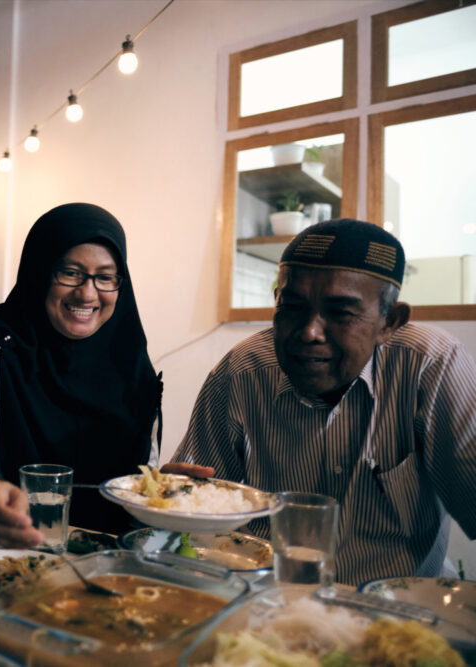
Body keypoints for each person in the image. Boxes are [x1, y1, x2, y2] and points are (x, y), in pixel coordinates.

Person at [165, 218, 476, 585]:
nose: (310, 331)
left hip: (395, 614)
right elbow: (196, 513)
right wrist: (172, 502)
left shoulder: (429, 366)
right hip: (268, 603)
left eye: (340, 312)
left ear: (389, 322)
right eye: (292, 307)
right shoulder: (242, 372)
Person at [0, 203, 163, 544]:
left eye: (106, 277)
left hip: (106, 568)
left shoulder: (131, 365)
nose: (88, 292)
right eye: (70, 272)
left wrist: (167, 494)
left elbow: (138, 482)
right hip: (1, 558)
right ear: (39, 272)